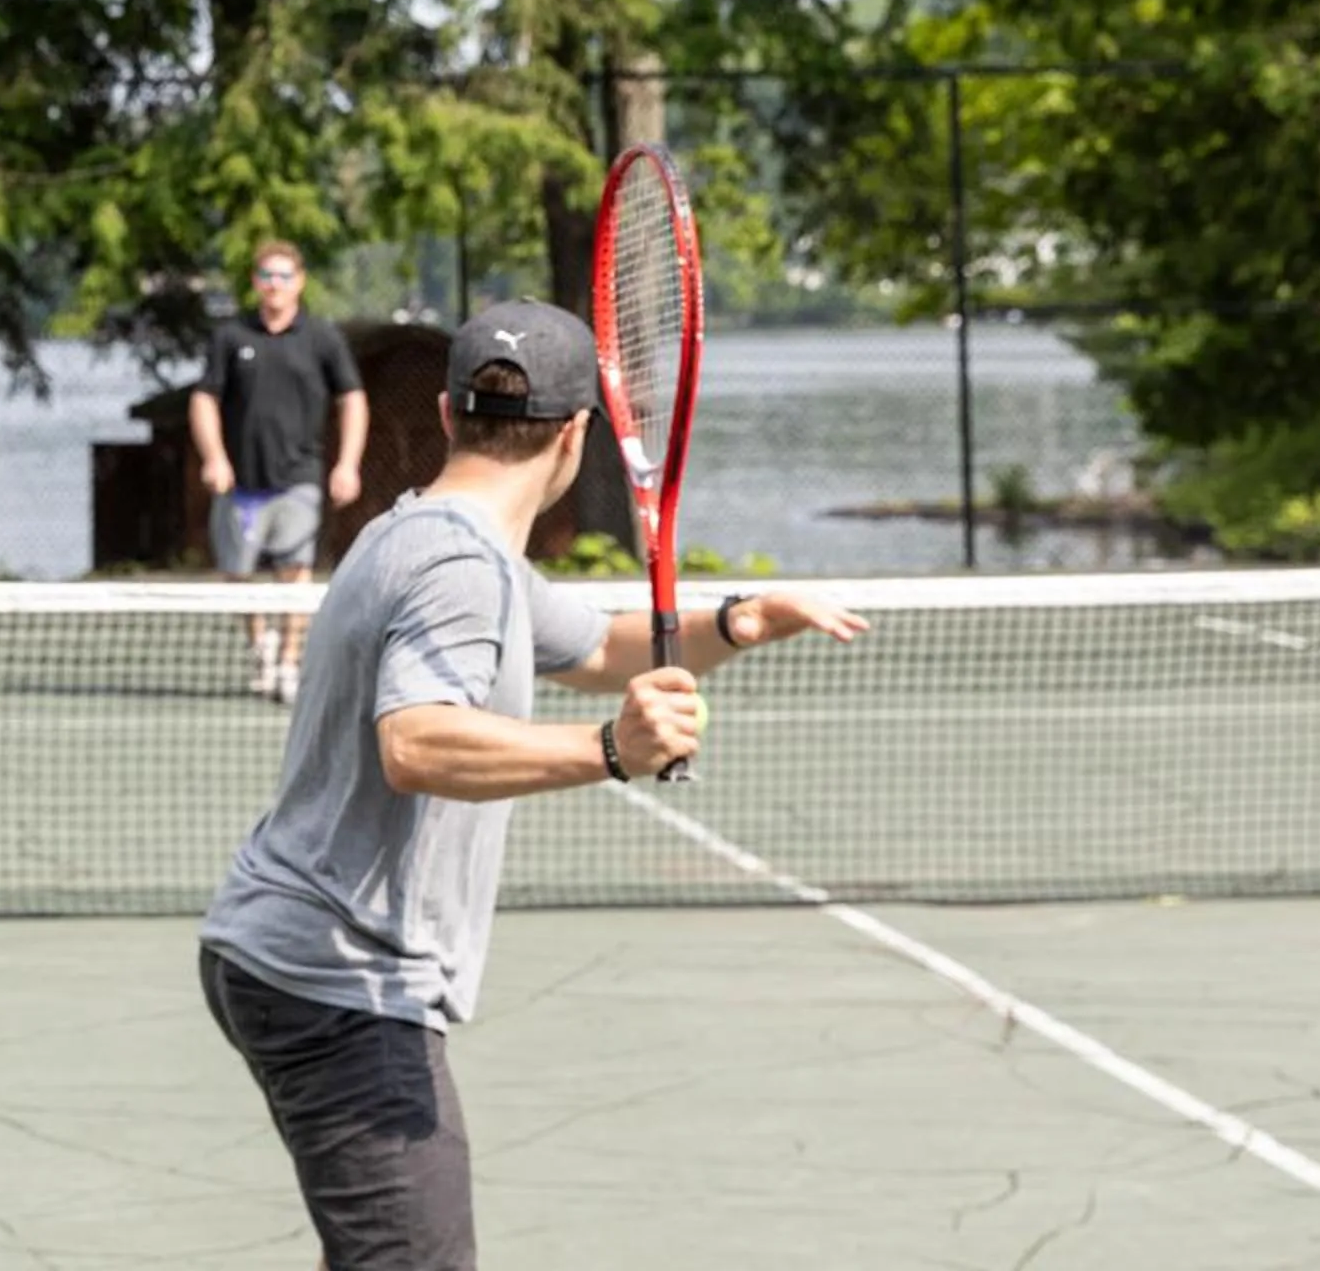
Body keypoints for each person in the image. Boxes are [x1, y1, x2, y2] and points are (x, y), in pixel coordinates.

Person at [197, 298, 868, 1271]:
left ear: (442, 413)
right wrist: (610, 749)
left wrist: (744, 618)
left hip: (294, 953)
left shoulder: (433, 536)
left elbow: (596, 643)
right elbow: (418, 742)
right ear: (576, 434)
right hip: (340, 979)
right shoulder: (457, 567)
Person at [190, 241, 368, 703]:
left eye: (284, 276)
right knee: (237, 577)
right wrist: (215, 457)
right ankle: (261, 646)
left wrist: (347, 464)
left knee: (295, 572)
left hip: (299, 479)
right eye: (267, 276)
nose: (275, 285)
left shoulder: (322, 338)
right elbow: (204, 398)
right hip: (242, 485)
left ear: (300, 282)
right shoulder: (231, 337)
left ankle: (289, 662)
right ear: (255, 282)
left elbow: (352, 399)